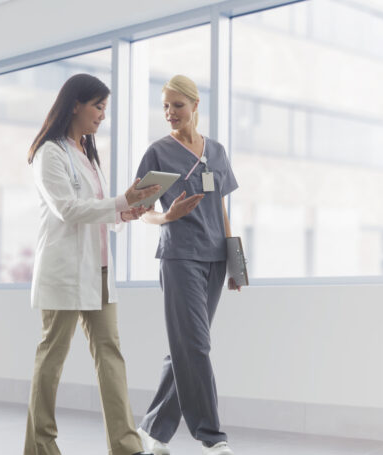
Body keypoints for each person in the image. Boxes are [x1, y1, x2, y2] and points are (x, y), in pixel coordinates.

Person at [24, 73, 159, 455]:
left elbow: (98, 211)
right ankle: (40, 447)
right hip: (64, 272)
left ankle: (126, 446)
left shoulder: (87, 153)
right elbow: (67, 210)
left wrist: (127, 212)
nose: (102, 115)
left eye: (104, 108)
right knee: (52, 359)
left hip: (98, 271)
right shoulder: (49, 153)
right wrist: (120, 202)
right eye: (98, 106)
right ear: (75, 105)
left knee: (110, 355)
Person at [134, 75, 241, 455]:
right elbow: (140, 210)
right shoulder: (158, 153)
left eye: (177, 105)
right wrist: (168, 216)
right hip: (179, 256)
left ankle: (152, 431)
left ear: (196, 106)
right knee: (196, 345)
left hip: (215, 259)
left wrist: (236, 264)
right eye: (165, 106)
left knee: (185, 348)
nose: (170, 113)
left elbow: (221, 208)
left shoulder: (217, 152)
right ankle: (212, 438)